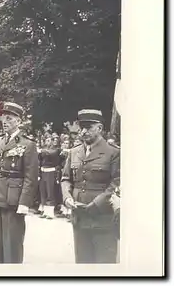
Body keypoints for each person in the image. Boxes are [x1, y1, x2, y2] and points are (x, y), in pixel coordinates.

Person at [61, 109, 120, 263]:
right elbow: (66, 179)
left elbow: (116, 183)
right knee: (83, 264)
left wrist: (97, 203)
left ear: (99, 128)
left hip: (102, 219)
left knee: (104, 266)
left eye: (89, 127)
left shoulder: (113, 153)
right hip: (79, 218)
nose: (84, 131)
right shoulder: (74, 152)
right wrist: (67, 197)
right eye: (82, 127)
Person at [0, 102, 39, 264]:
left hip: (14, 198)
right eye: (3, 117)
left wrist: (24, 202)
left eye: (9, 118)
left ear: (18, 121)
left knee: (12, 243)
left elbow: (31, 177)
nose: (5, 121)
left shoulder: (27, 144)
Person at [38, 134, 62, 219]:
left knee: (50, 192)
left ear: (52, 141)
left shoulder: (56, 150)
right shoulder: (44, 149)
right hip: (43, 171)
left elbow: (51, 154)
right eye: (46, 140)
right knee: (43, 191)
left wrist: (41, 151)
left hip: (51, 171)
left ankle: (50, 212)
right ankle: (45, 210)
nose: (47, 142)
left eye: (49, 140)